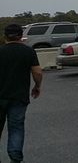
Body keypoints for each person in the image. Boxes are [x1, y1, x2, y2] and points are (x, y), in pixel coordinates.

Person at [0, 24, 43, 163]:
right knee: (16, 128)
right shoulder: (28, 51)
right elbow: (37, 72)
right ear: (20, 35)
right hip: (19, 97)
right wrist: (37, 86)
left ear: (5, 35)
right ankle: (15, 158)